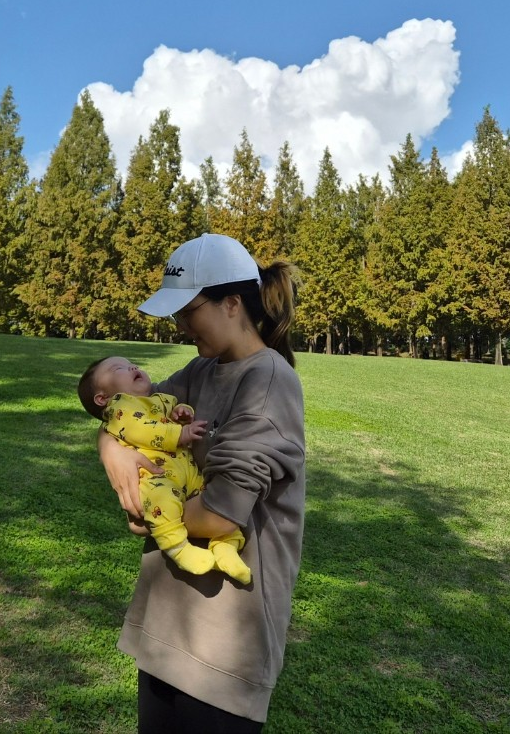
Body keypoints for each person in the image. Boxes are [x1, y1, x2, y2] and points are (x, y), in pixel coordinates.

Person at [98, 233, 304, 733]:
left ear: (232, 303)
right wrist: (113, 453)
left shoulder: (268, 382)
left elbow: (218, 514)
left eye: (187, 312)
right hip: (167, 625)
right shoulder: (201, 369)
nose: (181, 326)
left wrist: (153, 513)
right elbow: (124, 414)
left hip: (224, 644)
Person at [78, 355, 251, 584]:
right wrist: (180, 434)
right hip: (156, 476)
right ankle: (178, 548)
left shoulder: (158, 398)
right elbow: (140, 430)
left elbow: (171, 411)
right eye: (118, 368)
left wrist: (182, 411)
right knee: (164, 503)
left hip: (186, 471)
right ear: (103, 399)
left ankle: (226, 547)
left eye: (132, 362)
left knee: (206, 491)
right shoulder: (119, 407)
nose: (132, 365)